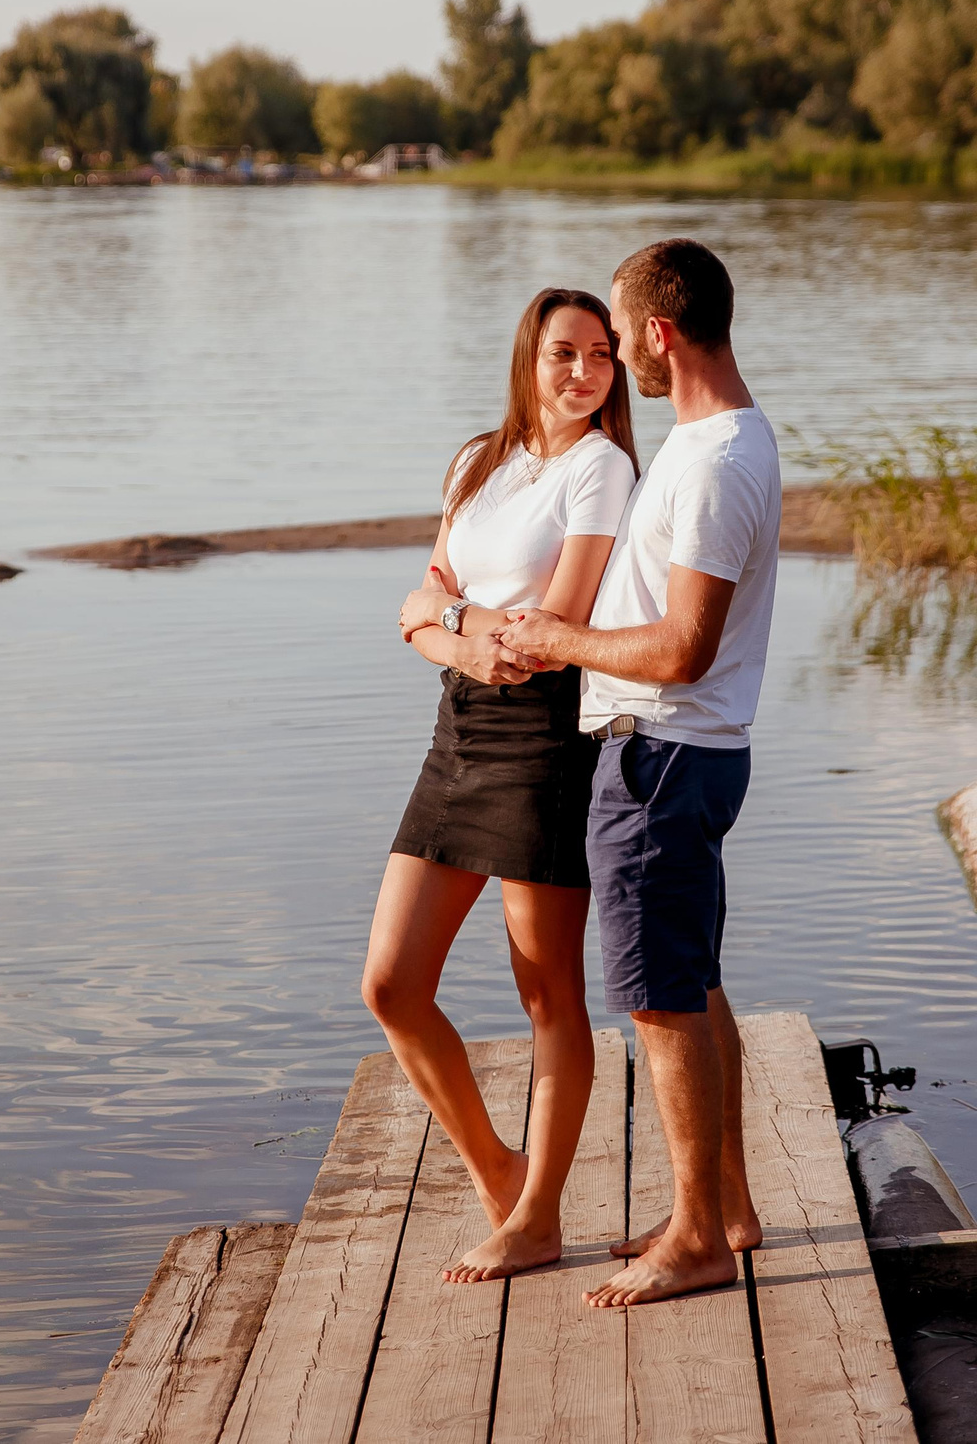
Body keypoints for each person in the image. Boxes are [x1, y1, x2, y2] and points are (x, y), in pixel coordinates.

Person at [498, 238, 780, 1308]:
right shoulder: (719, 441)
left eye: (618, 339)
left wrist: (558, 639)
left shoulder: (711, 465)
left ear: (658, 335)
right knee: (693, 985)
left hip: (664, 755)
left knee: (660, 1005)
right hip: (685, 756)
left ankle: (701, 1238)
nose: (615, 357)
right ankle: (724, 1209)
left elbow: (679, 649)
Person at [367, 287, 639, 1283]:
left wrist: (445, 625)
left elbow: (553, 621)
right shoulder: (477, 460)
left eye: (602, 355)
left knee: (547, 994)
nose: (584, 373)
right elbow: (418, 596)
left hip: (543, 741)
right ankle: (498, 1171)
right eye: (565, 352)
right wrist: (449, 634)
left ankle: (538, 1218)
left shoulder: (602, 470)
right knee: (391, 985)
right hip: (459, 731)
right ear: (528, 358)